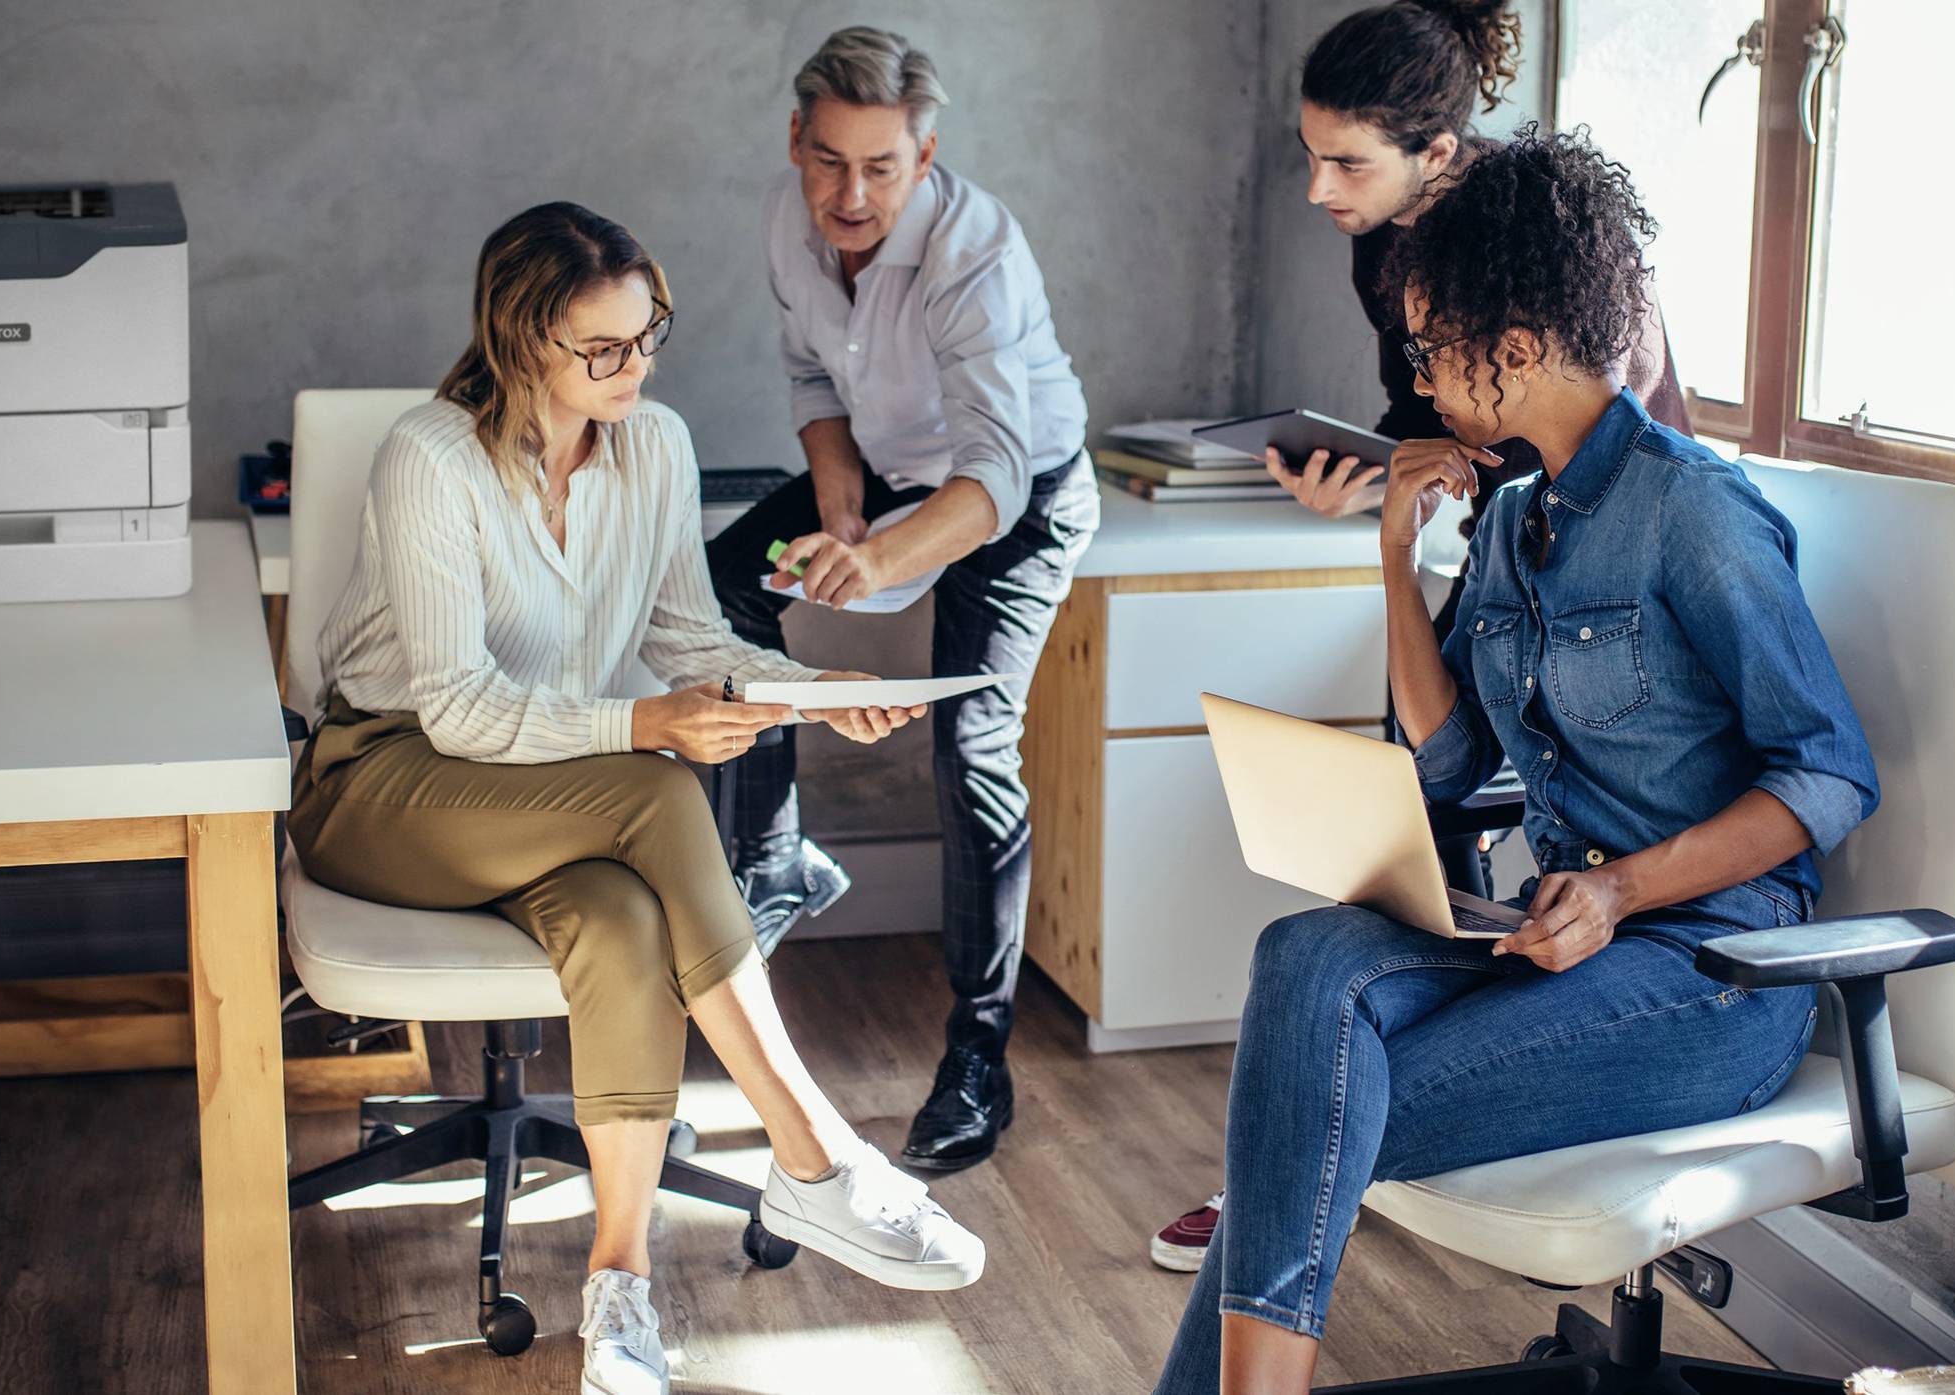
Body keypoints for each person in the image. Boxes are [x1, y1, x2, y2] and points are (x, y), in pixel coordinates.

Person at [1151, 130, 1879, 1395]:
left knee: (1311, 1115)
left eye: (1433, 345)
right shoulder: (1506, 516)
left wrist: (1619, 889)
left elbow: (1827, 778)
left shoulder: (1691, 514)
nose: (1420, 375)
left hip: (1714, 970)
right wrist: (1392, 552)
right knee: (1303, 957)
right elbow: (1443, 766)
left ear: (1522, 344)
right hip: (1547, 929)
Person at [289, 201, 984, 1395]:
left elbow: (684, 637)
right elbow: (456, 707)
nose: (633, 368)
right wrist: (648, 727)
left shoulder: (654, 443)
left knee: (621, 918)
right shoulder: (431, 456)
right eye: (599, 349)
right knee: (659, 794)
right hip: (387, 779)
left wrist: (816, 691)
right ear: (520, 342)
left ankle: (620, 1292)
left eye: (646, 336)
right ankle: (812, 1150)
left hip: (547, 789)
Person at [1152, 0, 1697, 1276]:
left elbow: (1569, 415)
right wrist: (1373, 480)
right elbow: (1428, 420)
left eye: (1346, 162)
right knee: (1404, 807)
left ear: (1440, 152)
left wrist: (1428, 474)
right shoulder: (1381, 245)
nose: (1314, 188)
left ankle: (1334, 1146)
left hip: (1600, 546)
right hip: (1499, 534)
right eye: (1310, 154)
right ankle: (1323, 1139)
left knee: (1444, 794)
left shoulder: (1539, 239)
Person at [706, 26, 1099, 1175]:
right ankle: (771, 851)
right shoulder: (796, 220)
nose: (851, 193)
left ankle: (978, 1062)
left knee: (972, 746)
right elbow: (814, 375)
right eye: (829, 161)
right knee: (722, 584)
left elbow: (994, 477)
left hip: (1013, 500)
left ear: (925, 159)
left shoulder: (976, 255)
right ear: (796, 141)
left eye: (882, 167)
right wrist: (837, 498)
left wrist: (876, 563)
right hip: (890, 468)